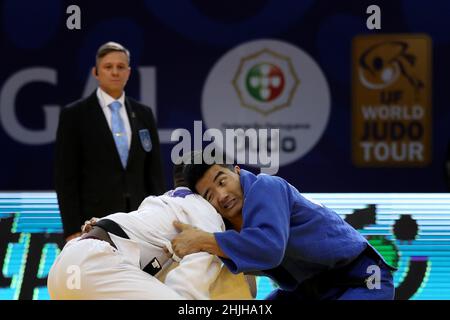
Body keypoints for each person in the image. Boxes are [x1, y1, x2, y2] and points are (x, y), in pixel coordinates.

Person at [170, 153, 397, 300]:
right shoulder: (222, 226)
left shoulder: (266, 186)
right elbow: (249, 271)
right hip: (308, 290)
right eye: (209, 195)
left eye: (222, 181)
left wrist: (204, 240)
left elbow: (268, 249)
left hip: (361, 279)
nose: (221, 195)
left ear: (237, 171)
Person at [47, 163, 254, 300]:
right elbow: (190, 286)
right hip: (94, 267)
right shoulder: (205, 212)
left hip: (64, 270)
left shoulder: (157, 202)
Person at [54, 41, 165, 242]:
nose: (115, 72)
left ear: (129, 72)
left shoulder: (143, 114)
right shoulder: (75, 115)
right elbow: (66, 178)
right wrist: (72, 229)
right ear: (96, 72)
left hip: (140, 222)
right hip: (94, 223)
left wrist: (160, 219)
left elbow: (154, 173)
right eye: (108, 67)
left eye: (120, 67)